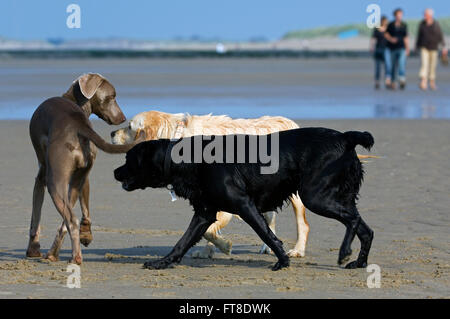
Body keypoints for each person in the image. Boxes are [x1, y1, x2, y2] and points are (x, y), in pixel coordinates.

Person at [416, 8, 448, 91]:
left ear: (430, 15)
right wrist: (417, 46)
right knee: (424, 64)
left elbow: (440, 36)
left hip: (434, 47)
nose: (424, 16)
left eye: (426, 14)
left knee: (432, 66)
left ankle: (432, 83)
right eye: (424, 14)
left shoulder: (436, 24)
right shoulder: (422, 24)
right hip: (424, 47)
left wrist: (444, 47)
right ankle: (423, 82)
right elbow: (419, 36)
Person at [384, 8, 410, 90]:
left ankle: (402, 79)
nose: (400, 16)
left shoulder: (404, 25)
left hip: (401, 47)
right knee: (392, 66)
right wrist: (391, 39)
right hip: (392, 48)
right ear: (395, 15)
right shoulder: (390, 25)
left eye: (401, 15)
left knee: (401, 64)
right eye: (398, 15)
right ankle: (393, 81)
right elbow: (385, 34)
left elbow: (406, 37)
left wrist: (407, 48)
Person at [370, 16, 388, 89]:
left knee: (387, 66)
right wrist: (371, 47)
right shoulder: (377, 29)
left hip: (386, 49)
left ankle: (387, 80)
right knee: (377, 67)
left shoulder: (388, 29)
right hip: (378, 49)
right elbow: (373, 38)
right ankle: (377, 81)